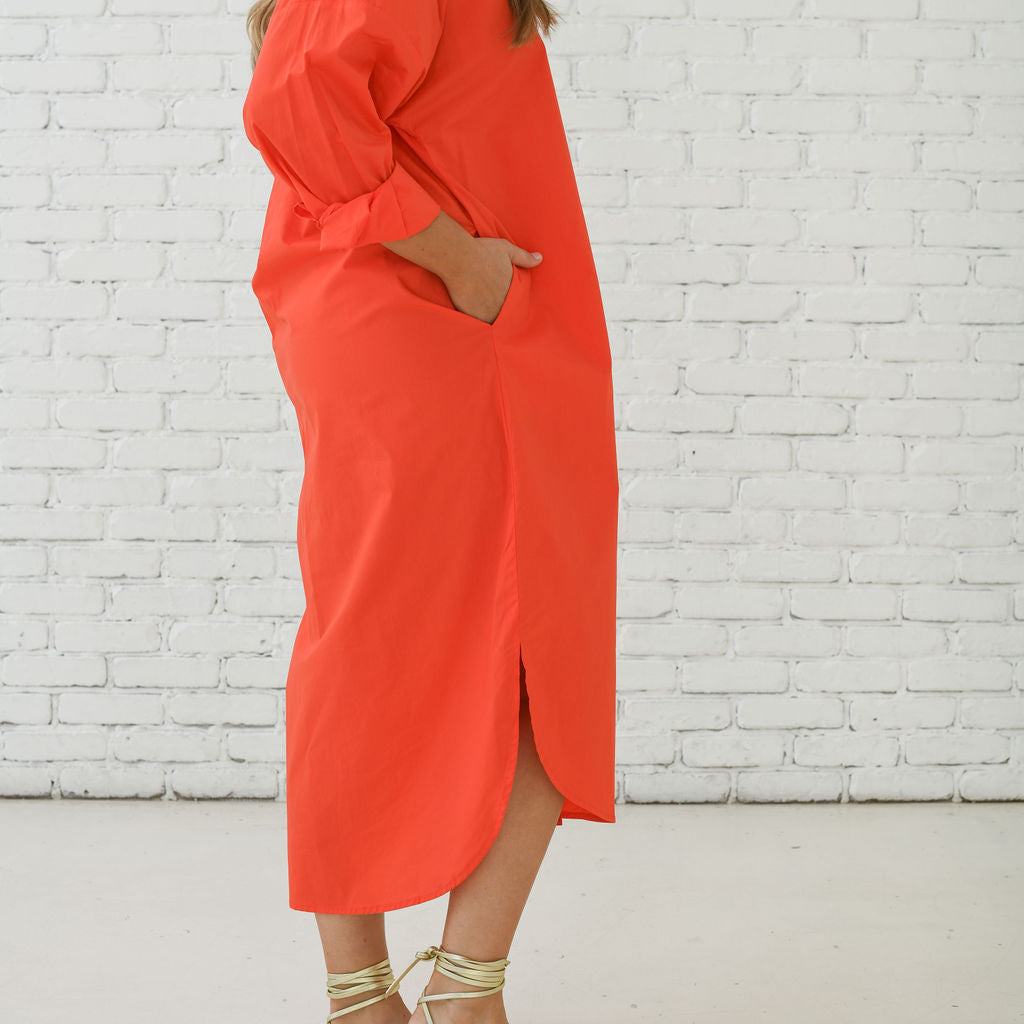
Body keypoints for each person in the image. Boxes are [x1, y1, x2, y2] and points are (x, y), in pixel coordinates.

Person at [240, 1, 619, 1021]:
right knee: (481, 633)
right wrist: (460, 260)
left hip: (468, 323)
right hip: (437, 320)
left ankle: (415, 994)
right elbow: (295, 98)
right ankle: (424, 998)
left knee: (497, 635)